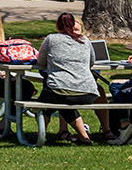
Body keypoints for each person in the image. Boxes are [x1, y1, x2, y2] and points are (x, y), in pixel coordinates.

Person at [34, 13, 98, 145]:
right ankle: (84, 137)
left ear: (58, 26)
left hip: (60, 88)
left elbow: (40, 62)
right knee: (63, 102)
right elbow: (92, 62)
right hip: (89, 92)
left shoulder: (51, 39)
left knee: (44, 102)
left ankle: (41, 134)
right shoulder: (85, 40)